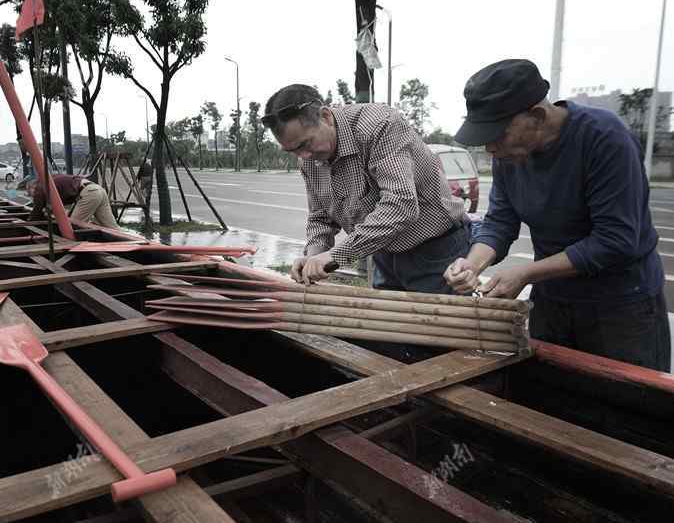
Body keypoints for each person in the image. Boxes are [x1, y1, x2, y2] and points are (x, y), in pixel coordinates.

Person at [444, 58, 669, 371]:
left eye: (497, 135)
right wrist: (472, 263)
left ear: (536, 116)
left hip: (620, 305)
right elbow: (500, 221)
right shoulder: (509, 154)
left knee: (623, 408)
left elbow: (616, 240)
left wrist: (526, 273)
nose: (490, 148)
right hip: (553, 298)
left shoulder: (603, 138)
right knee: (551, 397)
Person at [262, 84, 469, 293]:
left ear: (325, 117)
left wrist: (337, 255)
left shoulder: (379, 125)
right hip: (383, 253)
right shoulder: (309, 160)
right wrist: (313, 255)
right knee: (388, 322)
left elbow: (401, 205)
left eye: (306, 144)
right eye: (293, 150)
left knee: (438, 323)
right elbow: (320, 216)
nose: (304, 156)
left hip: (437, 250)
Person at [27, 173, 118, 229]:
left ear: (32, 187)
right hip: (97, 189)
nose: (32, 196)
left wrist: (28, 224)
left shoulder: (39, 187)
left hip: (88, 193)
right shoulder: (50, 179)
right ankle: (130, 246)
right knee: (111, 227)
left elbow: (37, 211)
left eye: (30, 193)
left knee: (73, 227)